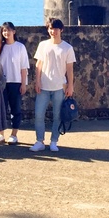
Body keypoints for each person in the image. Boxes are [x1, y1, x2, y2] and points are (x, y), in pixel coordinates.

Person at [30, 18, 76, 152]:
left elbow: (70, 69)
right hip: (43, 86)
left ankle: (54, 141)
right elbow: (39, 65)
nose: (52, 31)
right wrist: (37, 81)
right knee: (39, 114)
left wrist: (70, 86)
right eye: (50, 28)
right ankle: (39, 141)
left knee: (57, 116)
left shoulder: (67, 48)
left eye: (55, 29)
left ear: (61, 30)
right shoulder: (43, 45)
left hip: (59, 87)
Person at [0, 22, 29, 145]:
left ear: (14, 31)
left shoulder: (20, 47)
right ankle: (1, 134)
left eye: (8, 30)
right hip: (2, 83)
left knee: (16, 110)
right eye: (4, 31)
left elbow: (24, 67)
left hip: (16, 82)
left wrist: (23, 84)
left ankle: (14, 134)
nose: (6, 33)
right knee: (1, 109)